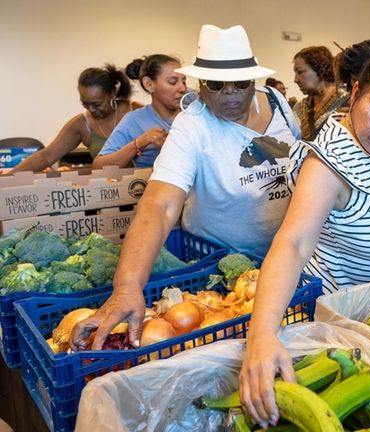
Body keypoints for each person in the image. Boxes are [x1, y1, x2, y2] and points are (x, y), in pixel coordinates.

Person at [238, 25, 370, 427]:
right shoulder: (329, 166)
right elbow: (294, 242)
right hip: (344, 325)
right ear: (354, 94)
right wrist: (262, 335)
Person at [70, 24, 301, 353]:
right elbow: (159, 206)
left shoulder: (277, 102)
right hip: (227, 269)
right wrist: (127, 285)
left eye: (242, 83)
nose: (231, 94)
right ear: (201, 84)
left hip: (287, 258)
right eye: (218, 85)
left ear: (256, 81)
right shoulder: (193, 125)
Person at [10, 65, 138, 173]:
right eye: (85, 104)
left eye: (97, 104)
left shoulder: (137, 112)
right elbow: (46, 156)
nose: (91, 109)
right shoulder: (82, 124)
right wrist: (6, 179)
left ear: (112, 93)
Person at [92, 55, 187, 169]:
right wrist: (137, 144)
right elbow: (98, 167)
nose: (182, 88)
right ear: (149, 84)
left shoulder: (194, 116)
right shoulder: (134, 120)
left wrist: (169, 149)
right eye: (172, 82)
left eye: (184, 81)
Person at [292, 46, 348, 140]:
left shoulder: (347, 102)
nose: (295, 80)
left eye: (300, 72)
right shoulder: (299, 108)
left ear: (320, 69)